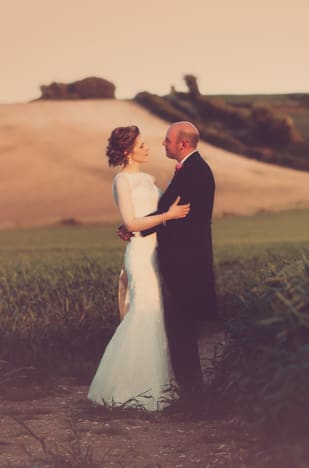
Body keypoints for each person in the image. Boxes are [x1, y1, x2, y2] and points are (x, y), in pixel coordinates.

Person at [87, 125, 190, 411]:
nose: (148, 148)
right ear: (126, 151)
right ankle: (127, 390)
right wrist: (167, 215)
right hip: (141, 255)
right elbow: (132, 223)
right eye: (142, 145)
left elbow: (151, 213)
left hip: (156, 253)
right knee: (143, 313)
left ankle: (155, 387)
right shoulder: (122, 181)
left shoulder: (148, 179)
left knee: (155, 315)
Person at [120, 121, 217, 395]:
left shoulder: (194, 172)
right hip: (183, 262)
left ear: (182, 144)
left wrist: (136, 225)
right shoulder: (190, 169)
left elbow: (176, 215)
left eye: (167, 140)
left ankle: (192, 393)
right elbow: (167, 211)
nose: (163, 143)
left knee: (181, 329)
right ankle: (191, 389)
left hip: (185, 264)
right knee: (180, 329)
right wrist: (133, 225)